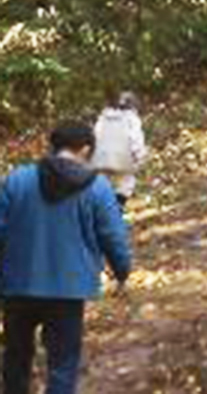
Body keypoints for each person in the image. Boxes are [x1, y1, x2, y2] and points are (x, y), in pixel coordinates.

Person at [0, 121, 132, 394]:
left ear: (53, 146)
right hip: (68, 289)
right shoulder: (98, 187)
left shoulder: (17, 179)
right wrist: (122, 271)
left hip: (17, 284)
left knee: (15, 358)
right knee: (62, 364)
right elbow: (112, 235)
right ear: (85, 150)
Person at [91, 90, 148, 208]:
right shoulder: (132, 119)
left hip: (101, 159)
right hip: (123, 159)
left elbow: (95, 137)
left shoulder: (103, 118)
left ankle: (102, 212)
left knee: (103, 187)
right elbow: (136, 141)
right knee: (126, 184)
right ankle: (116, 212)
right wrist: (140, 159)